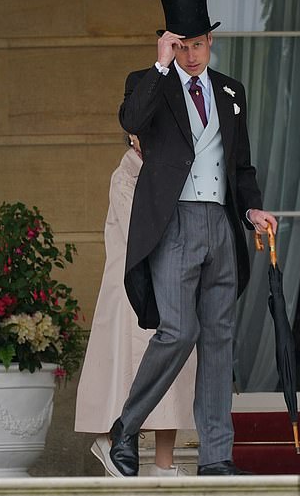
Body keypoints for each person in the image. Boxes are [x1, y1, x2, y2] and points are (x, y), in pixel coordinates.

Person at [108, 0, 277, 477]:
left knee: (220, 338)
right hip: (175, 223)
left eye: (199, 45)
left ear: (209, 41)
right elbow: (130, 122)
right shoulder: (148, 83)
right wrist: (161, 67)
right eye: (182, 47)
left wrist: (252, 210)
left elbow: (240, 165)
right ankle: (127, 428)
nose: (192, 55)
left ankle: (216, 456)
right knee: (178, 330)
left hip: (221, 224)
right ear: (168, 44)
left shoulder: (231, 91)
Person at [75, 134, 197, 476]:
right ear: (133, 136)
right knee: (123, 374)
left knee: (170, 377)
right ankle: (110, 441)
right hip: (135, 287)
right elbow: (142, 235)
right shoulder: (126, 175)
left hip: (171, 282)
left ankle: (163, 465)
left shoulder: (170, 170)